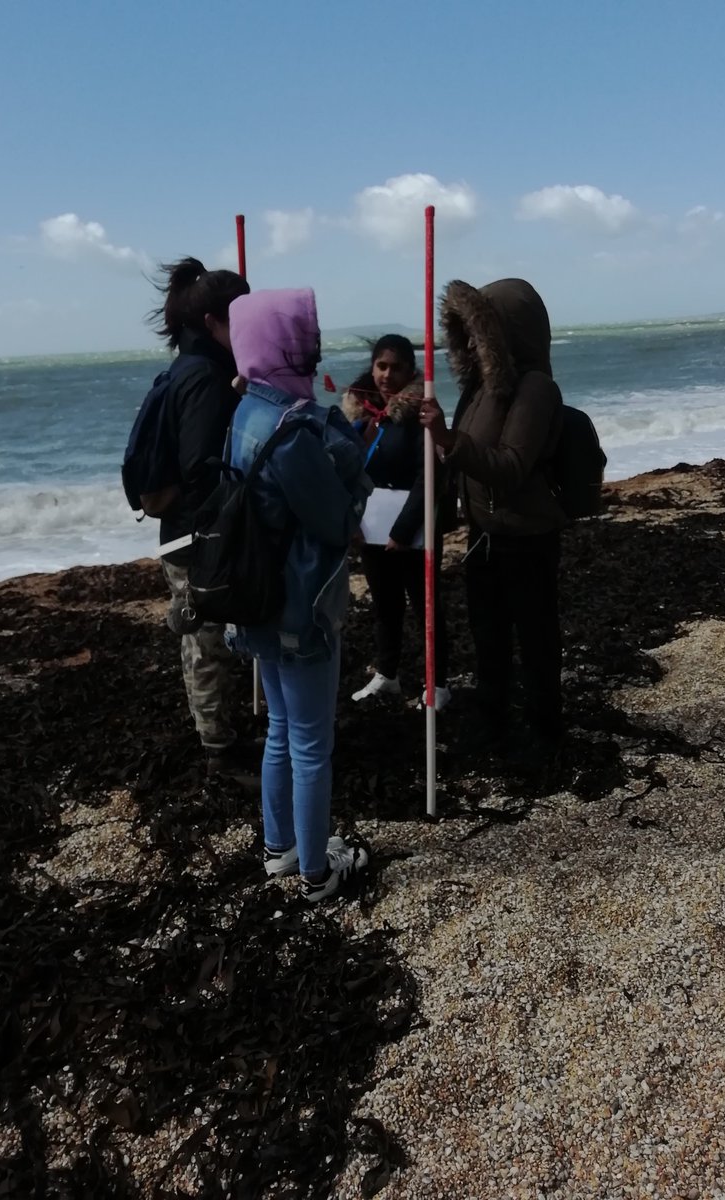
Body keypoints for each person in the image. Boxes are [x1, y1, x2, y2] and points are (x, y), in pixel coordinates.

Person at [225, 287, 372, 903]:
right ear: (287, 344)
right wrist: (348, 460)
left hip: (254, 598)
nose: (313, 346)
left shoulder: (246, 410)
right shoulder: (291, 428)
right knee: (312, 742)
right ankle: (317, 874)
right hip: (300, 604)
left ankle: (279, 848)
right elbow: (335, 520)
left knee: (282, 728)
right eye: (305, 334)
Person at [419, 278, 567, 764]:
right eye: (467, 334)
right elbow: (462, 458)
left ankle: (545, 730)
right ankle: (493, 722)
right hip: (484, 535)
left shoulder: (536, 388)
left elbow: (510, 466)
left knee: (536, 639)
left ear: (507, 333)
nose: (471, 344)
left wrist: (448, 439)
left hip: (527, 538)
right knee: (489, 637)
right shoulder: (480, 388)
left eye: (480, 333)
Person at [147, 257, 250, 779]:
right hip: (195, 535)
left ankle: (219, 737)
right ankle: (218, 751)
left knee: (201, 639)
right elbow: (200, 465)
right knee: (204, 642)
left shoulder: (189, 366)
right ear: (212, 321)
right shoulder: (206, 377)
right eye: (241, 318)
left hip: (181, 530)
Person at [342, 335, 451, 710]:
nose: (387, 375)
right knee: (385, 608)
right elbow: (347, 471)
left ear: (411, 371)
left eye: (397, 368)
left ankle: (438, 683)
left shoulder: (422, 413)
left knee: (426, 608)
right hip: (370, 532)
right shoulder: (360, 413)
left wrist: (403, 531)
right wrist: (350, 520)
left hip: (414, 532)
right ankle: (387, 675)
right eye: (381, 366)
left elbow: (429, 476)